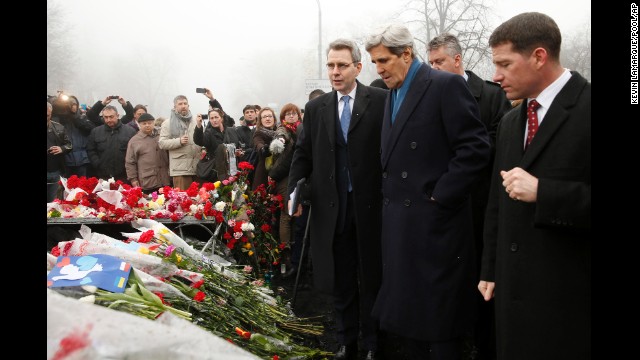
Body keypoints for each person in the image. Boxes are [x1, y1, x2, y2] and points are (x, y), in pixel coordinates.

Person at [365, 24, 490, 359]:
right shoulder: (392, 92)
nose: (378, 70)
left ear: (406, 53)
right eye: (374, 62)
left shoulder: (444, 85)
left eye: (383, 61)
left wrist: (441, 195)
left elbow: (475, 148)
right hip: (402, 228)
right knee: (411, 324)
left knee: (439, 323)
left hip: (435, 228)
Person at [478, 12, 591, 360]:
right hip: (513, 297)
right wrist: (491, 270)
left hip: (569, 300)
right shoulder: (511, 121)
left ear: (539, 56)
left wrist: (544, 192)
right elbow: (497, 203)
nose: (495, 76)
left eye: (505, 64)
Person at [288, 38, 388, 360]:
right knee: (342, 281)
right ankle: (348, 341)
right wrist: (295, 190)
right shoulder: (316, 109)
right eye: (330, 65)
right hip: (333, 212)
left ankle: (373, 343)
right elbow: (303, 154)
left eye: (342, 65)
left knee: (372, 278)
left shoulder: (382, 101)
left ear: (358, 67)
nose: (335, 71)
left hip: (371, 209)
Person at [428, 32, 512, 360]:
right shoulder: (428, 96)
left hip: (479, 202)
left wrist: (461, 161)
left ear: (457, 60)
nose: (433, 68)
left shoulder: (490, 96)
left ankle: (483, 340)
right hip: (445, 204)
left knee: (483, 274)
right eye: (430, 62)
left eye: (439, 62)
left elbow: (495, 141)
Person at [158, 95, 201, 190]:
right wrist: (178, 141)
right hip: (180, 170)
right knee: (183, 201)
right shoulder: (167, 123)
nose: (183, 106)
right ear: (175, 107)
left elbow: (202, 141)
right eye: (180, 104)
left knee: (199, 202)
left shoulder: (195, 121)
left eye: (185, 103)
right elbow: (162, 143)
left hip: (197, 168)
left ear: (188, 106)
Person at [86, 105, 137, 183]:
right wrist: (97, 163)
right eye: (105, 117)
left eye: (111, 117)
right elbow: (91, 149)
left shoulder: (130, 132)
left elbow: (134, 152)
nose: (108, 120)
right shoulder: (96, 132)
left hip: (124, 175)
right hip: (103, 175)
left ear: (117, 116)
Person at [125, 113, 170, 194]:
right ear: (139, 125)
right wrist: (133, 179)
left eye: (149, 123)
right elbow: (130, 162)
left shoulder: (162, 136)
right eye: (144, 123)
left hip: (165, 179)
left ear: (153, 123)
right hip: (148, 181)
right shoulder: (134, 141)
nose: (147, 125)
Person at [47, 101, 72, 202]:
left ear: (51, 113)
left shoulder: (59, 127)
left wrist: (62, 149)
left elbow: (69, 144)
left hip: (56, 170)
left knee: (55, 203)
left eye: (47, 115)